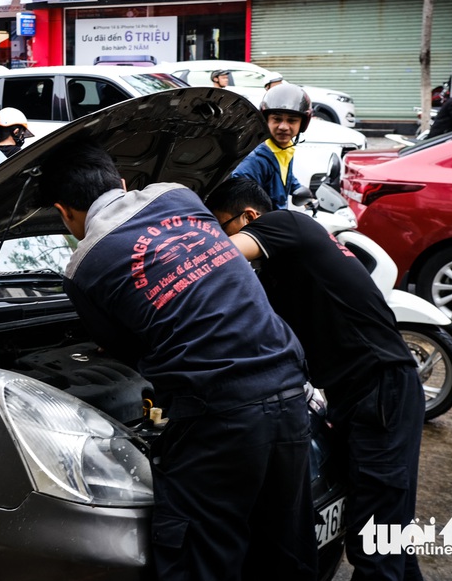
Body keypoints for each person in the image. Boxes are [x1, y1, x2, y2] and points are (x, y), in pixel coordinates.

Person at [39, 141, 316, 581]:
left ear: (63, 211)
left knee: (200, 555)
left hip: (220, 414)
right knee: (284, 548)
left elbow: (129, 351)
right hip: (288, 385)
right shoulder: (179, 195)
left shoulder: (82, 266)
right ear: (123, 183)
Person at [207, 177, 424, 581]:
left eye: (222, 226)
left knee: (375, 539)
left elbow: (215, 259)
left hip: (381, 388)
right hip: (356, 392)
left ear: (249, 217)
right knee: (389, 529)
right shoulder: (279, 267)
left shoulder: (287, 225)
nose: (221, 236)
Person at [231, 83, 310, 209]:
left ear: (302, 124)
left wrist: (298, 188)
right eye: (277, 119)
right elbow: (241, 203)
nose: (283, 127)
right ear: (266, 121)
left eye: (292, 120)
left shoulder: (286, 149)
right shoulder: (255, 160)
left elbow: (285, 176)